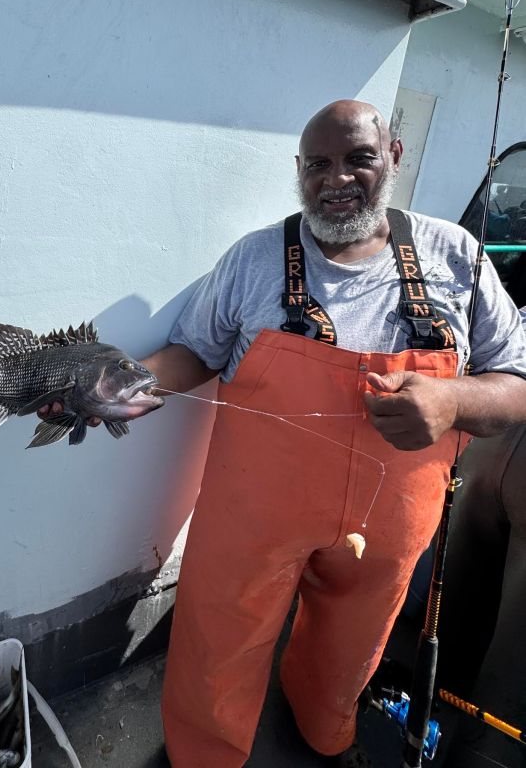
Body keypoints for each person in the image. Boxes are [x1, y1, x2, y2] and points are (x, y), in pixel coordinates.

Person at [39, 100, 526, 767]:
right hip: (252, 516)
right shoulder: (254, 259)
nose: (337, 179)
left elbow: (517, 386)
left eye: (358, 158)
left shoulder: (457, 256)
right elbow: (195, 353)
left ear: (394, 157)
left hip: (391, 528)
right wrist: (114, 390)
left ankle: (325, 729)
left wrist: (452, 399)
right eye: (318, 164)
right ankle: (205, 755)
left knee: (353, 646)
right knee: (220, 638)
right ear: (299, 171)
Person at [437, 308, 526, 768]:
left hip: (496, 416)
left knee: (455, 597)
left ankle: (435, 698)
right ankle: (481, 754)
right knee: (513, 667)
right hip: (503, 406)